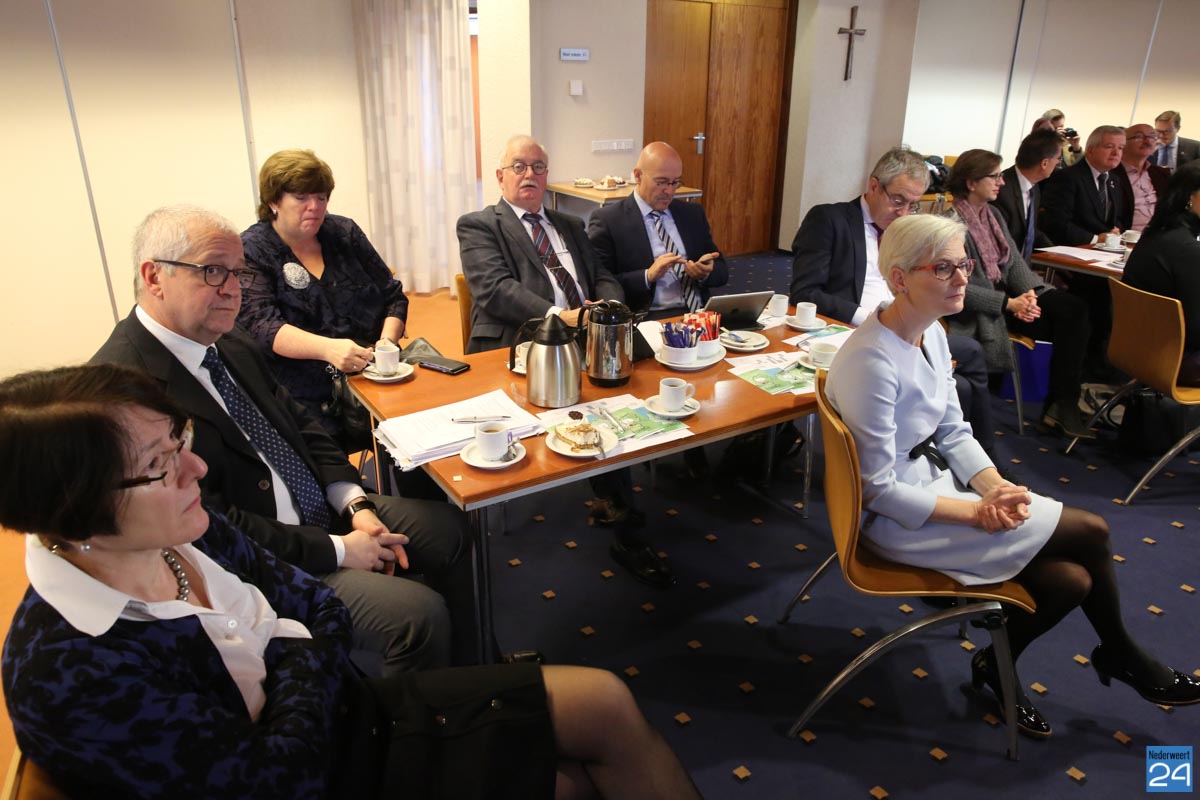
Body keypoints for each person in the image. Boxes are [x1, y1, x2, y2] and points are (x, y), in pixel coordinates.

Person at [0, 363, 701, 800]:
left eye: (180, 440)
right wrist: (296, 649)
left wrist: (293, 660)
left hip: (351, 713)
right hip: (332, 775)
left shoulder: (184, 530)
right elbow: (279, 782)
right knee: (568, 784)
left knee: (606, 700)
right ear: (74, 509)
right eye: (160, 464)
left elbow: (320, 611)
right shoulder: (66, 667)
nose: (197, 469)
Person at [825, 213, 1200, 740]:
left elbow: (952, 431)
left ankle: (997, 665)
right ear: (899, 278)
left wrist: (993, 485)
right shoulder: (873, 360)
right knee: (1091, 529)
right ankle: (1122, 653)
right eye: (943, 268)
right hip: (897, 518)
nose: (963, 278)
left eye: (964, 264)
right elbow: (878, 489)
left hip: (931, 487)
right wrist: (976, 512)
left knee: (1072, 581)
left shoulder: (930, 332)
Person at [93, 205, 474, 674]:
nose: (232, 289)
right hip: (258, 561)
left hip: (320, 509)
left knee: (453, 529)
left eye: (237, 273)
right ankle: (407, 708)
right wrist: (339, 549)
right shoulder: (121, 391)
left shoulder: (227, 340)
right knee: (418, 615)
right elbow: (208, 528)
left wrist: (355, 504)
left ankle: (473, 678)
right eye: (213, 271)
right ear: (154, 277)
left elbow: (300, 423)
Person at [457, 136, 672, 589]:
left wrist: (607, 312)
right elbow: (495, 290)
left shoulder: (571, 224)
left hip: (590, 337)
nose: (530, 174)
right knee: (601, 404)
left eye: (538, 166)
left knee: (647, 386)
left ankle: (648, 485)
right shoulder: (479, 225)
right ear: (500, 176)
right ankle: (628, 527)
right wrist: (561, 317)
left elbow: (604, 276)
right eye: (519, 166)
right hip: (523, 344)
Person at [789, 146, 997, 460]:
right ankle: (966, 459)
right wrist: (870, 317)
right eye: (898, 201)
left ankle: (978, 460)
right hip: (857, 331)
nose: (904, 212)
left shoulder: (908, 233)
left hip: (907, 326)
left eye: (914, 205)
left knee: (967, 368)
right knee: (965, 367)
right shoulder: (831, 219)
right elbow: (805, 293)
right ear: (874, 186)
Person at [238, 149, 406, 455]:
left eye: (321, 197)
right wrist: (328, 350)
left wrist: (386, 344)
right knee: (328, 461)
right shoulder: (253, 249)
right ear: (273, 201)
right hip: (303, 389)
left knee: (419, 438)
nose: (315, 207)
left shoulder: (343, 232)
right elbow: (262, 327)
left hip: (373, 373)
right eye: (301, 198)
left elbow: (392, 296)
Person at [944, 149, 1093, 440]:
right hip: (984, 311)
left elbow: (1014, 264)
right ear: (971, 183)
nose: (1002, 182)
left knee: (1075, 311)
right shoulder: (950, 224)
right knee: (1069, 326)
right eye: (995, 177)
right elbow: (956, 286)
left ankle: (1062, 404)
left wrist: (1032, 295)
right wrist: (1009, 304)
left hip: (1010, 300)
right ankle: (1060, 407)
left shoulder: (993, 215)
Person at [587, 141, 728, 318]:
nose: (669, 191)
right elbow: (600, 283)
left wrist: (705, 273)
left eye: (675, 183)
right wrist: (648, 276)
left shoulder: (692, 213)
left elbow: (722, 271)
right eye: (661, 182)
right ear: (638, 176)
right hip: (648, 317)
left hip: (698, 314)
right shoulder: (608, 220)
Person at [1123, 163, 1200, 386]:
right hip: (1173, 359)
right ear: (1190, 198)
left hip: (1137, 348)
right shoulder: (1187, 250)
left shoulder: (1155, 234)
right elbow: (1195, 330)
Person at [1040, 125, 1127, 246]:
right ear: (1090, 150)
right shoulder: (1067, 177)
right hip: (1072, 248)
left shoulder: (1115, 180)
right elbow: (1057, 223)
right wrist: (1096, 239)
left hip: (1104, 250)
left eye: (1120, 148)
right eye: (1109, 146)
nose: (1116, 153)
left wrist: (1114, 231)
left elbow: (1115, 218)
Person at [990, 129, 1061, 263]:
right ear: (1044, 163)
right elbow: (1001, 242)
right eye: (1058, 159)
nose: (1058, 163)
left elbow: (1031, 231)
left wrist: (1057, 253)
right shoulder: (1001, 190)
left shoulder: (1034, 188)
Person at [1113, 124, 1171, 233]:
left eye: (1152, 136)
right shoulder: (1110, 174)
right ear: (1122, 144)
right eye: (1139, 137)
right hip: (1125, 237)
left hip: (1162, 236)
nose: (1147, 141)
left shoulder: (1161, 174)